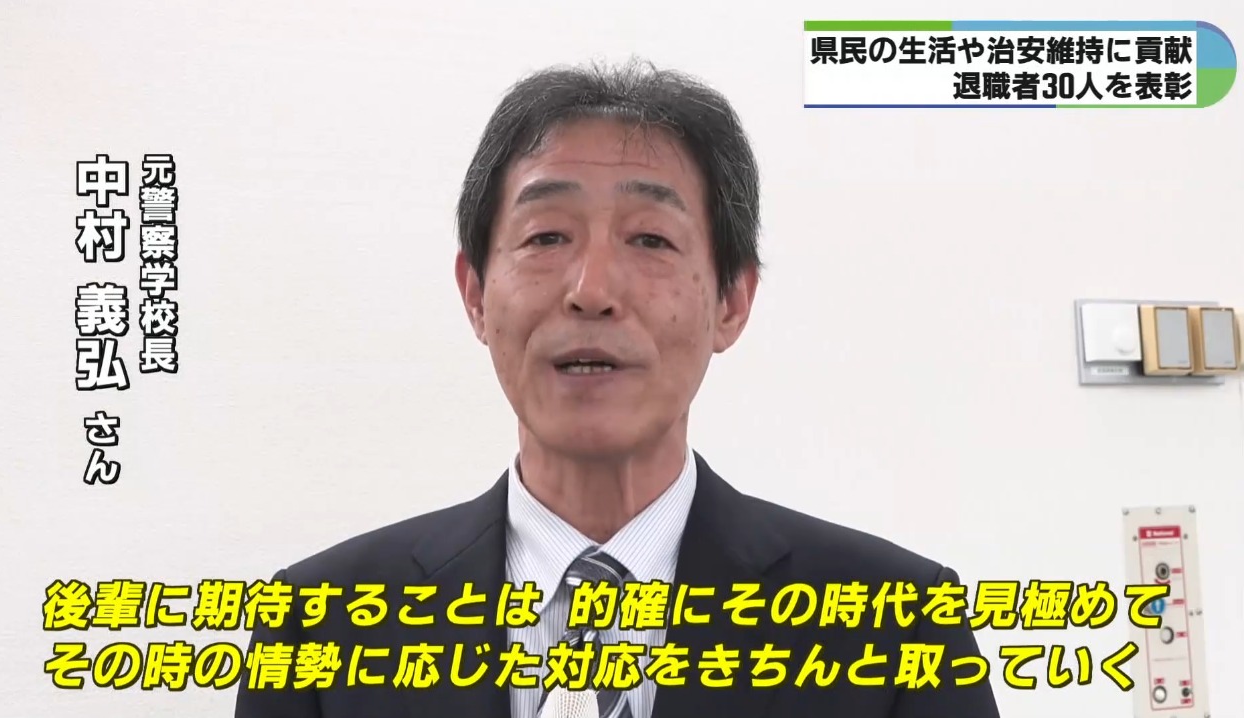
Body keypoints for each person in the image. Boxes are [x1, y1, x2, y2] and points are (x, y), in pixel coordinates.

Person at [235, 58, 1001, 718]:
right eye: (546, 237)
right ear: (474, 294)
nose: (592, 290)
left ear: (732, 301)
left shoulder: (898, 629)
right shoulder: (317, 627)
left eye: (650, 239)